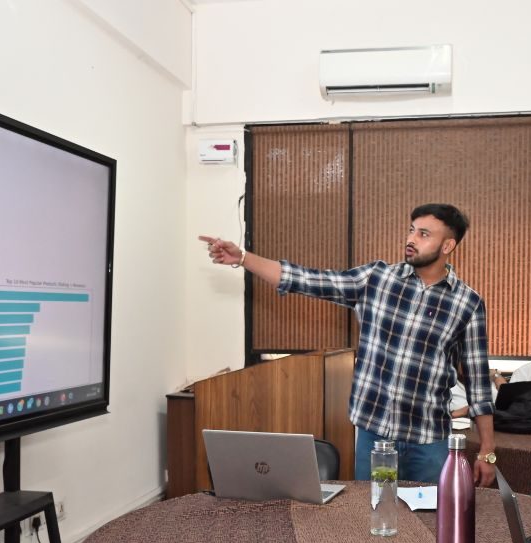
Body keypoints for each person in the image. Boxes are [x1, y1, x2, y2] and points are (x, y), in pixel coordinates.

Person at [201, 203, 498, 486]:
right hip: (375, 437)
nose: (411, 239)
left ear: (447, 246)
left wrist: (487, 449)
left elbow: (478, 380)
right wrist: (243, 258)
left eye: (423, 234)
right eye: (411, 230)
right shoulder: (377, 279)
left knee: (428, 527)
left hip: (429, 442)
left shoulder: (467, 303)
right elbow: (306, 280)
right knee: (371, 522)